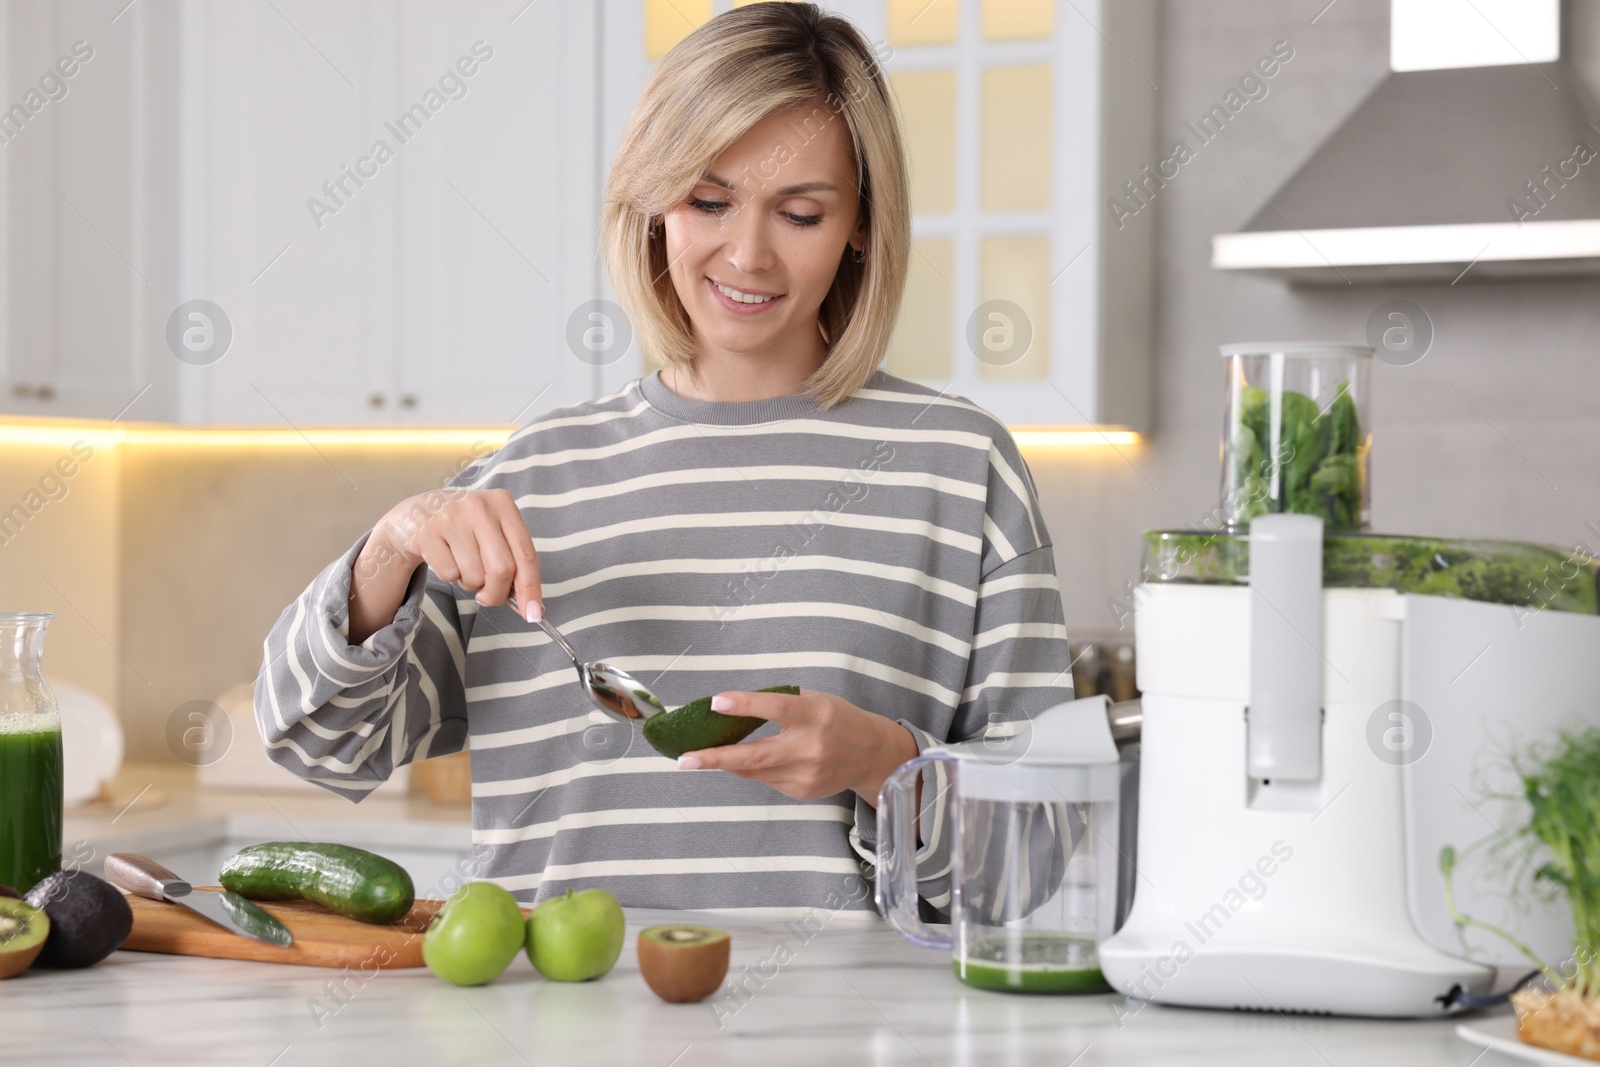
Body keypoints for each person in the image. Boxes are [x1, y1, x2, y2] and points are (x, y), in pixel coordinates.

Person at [253, 1, 1074, 919]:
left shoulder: (961, 471)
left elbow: (1035, 865)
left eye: (799, 212)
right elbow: (315, 742)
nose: (747, 253)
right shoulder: (525, 478)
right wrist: (392, 545)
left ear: (860, 226)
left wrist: (881, 763)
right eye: (708, 201)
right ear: (651, 206)